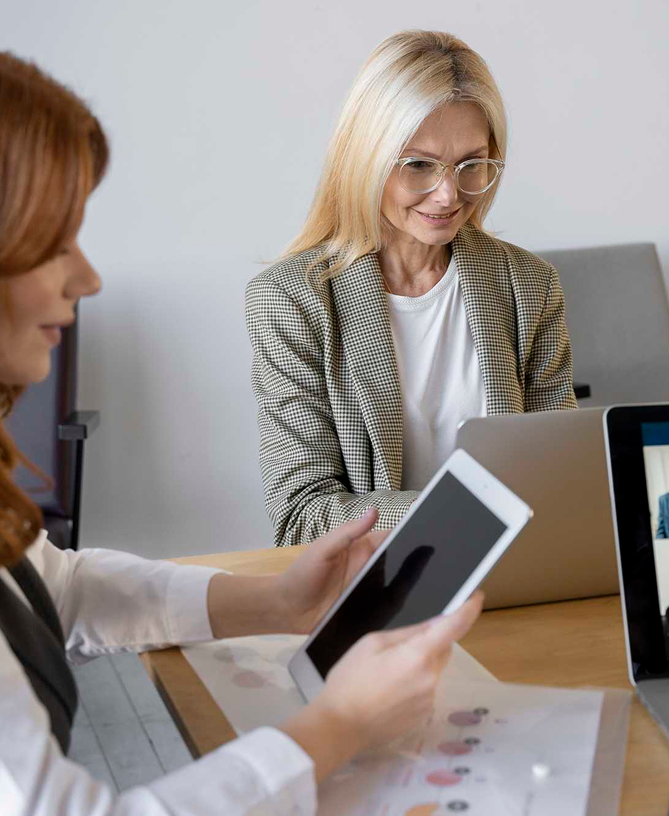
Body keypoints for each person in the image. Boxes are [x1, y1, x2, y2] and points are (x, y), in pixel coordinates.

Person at [0, 51, 483, 815]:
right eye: (58, 242)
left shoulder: (519, 284)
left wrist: (277, 601)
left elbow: (56, 587)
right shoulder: (295, 296)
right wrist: (341, 724)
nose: (89, 279)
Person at [246, 31, 577, 546]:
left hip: (514, 578)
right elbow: (300, 513)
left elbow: (560, 475)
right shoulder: (292, 299)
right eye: (419, 164)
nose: (448, 194)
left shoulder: (529, 286)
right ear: (366, 157)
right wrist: (466, 514)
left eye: (472, 164)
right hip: (372, 586)